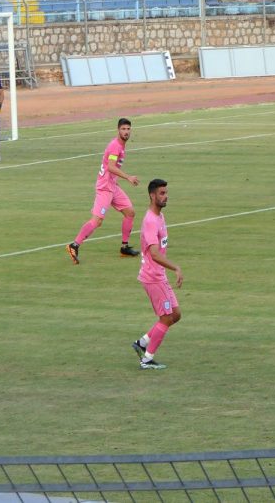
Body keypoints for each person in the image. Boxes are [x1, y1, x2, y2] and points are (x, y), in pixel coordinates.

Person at [67, 118, 140, 264]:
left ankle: (124, 248)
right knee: (97, 221)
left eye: (128, 129)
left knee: (130, 212)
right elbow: (111, 167)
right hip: (105, 187)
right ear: (118, 130)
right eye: (123, 129)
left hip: (113, 185)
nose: (126, 132)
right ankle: (74, 245)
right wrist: (128, 177)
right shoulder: (115, 146)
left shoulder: (121, 145)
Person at [131, 179, 184, 370]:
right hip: (153, 277)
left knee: (175, 314)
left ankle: (142, 342)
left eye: (166, 192)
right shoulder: (151, 221)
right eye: (162, 193)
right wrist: (175, 267)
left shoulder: (159, 217)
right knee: (166, 318)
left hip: (159, 275)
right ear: (152, 195)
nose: (166, 196)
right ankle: (147, 359)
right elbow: (153, 253)